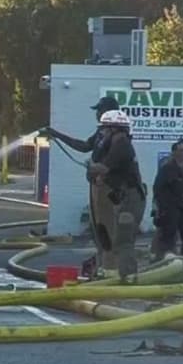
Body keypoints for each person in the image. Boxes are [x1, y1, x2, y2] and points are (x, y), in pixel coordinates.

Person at [45, 95, 121, 271]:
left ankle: (110, 267)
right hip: (96, 185)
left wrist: (96, 168)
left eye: (100, 111)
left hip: (107, 187)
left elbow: (113, 163)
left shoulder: (117, 135)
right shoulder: (102, 132)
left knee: (107, 227)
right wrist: (57, 135)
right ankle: (102, 263)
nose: (97, 114)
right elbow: (85, 146)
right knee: (98, 227)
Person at [86, 109, 145, 281]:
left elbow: (104, 167)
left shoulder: (121, 143)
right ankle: (118, 275)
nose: (101, 132)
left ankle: (129, 277)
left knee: (123, 239)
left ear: (114, 128)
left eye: (104, 128)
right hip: (124, 196)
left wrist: (92, 167)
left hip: (130, 199)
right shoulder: (116, 141)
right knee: (115, 237)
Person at [152, 139, 183, 257]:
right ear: (175, 151)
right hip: (171, 208)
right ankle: (165, 259)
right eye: (181, 150)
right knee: (168, 237)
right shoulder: (167, 168)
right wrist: (164, 206)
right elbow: (158, 188)